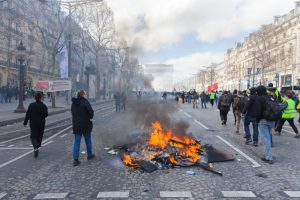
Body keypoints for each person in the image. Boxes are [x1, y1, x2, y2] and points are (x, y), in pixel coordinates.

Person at [71, 90, 95, 166]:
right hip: (85, 125)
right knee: (88, 140)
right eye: (86, 94)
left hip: (77, 125)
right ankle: (90, 155)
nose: (86, 95)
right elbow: (91, 113)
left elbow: (73, 113)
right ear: (82, 95)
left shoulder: (73, 103)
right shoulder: (85, 102)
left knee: (77, 142)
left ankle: (75, 160)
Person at [23, 92, 48, 158]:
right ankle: (38, 145)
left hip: (33, 123)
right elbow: (46, 114)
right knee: (40, 135)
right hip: (41, 123)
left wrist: (25, 122)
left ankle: (35, 147)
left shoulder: (31, 105)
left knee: (33, 136)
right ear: (41, 98)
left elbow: (28, 114)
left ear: (35, 98)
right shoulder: (43, 106)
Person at [255, 86, 275, 164]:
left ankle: (269, 157)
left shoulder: (260, 98)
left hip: (263, 120)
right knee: (268, 137)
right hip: (272, 120)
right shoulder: (269, 97)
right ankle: (267, 154)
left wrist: (257, 120)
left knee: (265, 139)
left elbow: (258, 111)